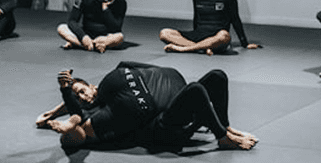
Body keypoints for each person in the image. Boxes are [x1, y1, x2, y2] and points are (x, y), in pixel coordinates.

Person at [35, 62, 258, 151]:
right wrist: (65, 93)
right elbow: (75, 127)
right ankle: (222, 138)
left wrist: (53, 112)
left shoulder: (113, 81)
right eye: (79, 97)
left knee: (218, 76)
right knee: (196, 89)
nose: (83, 98)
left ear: (93, 86)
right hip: (166, 128)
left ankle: (225, 127)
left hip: (174, 103)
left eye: (83, 91)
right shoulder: (95, 116)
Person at [159, 0, 261, 54]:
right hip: (199, 34)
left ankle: (184, 49)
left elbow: (235, 19)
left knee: (225, 36)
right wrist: (196, 34)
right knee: (164, 33)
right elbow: (196, 17)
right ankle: (202, 48)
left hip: (216, 36)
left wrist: (244, 43)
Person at [57, 0, 127, 52]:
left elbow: (117, 28)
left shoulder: (121, 2)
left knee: (120, 37)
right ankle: (96, 46)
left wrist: (106, 9)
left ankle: (81, 44)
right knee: (61, 28)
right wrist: (83, 37)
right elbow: (72, 21)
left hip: (105, 37)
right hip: (87, 33)